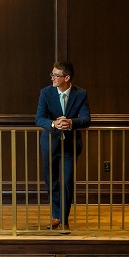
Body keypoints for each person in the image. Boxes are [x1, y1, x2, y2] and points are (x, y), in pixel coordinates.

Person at [36, 61, 91, 230]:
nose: (52, 78)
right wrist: (54, 124)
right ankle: (56, 215)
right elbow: (39, 118)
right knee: (51, 180)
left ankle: (64, 219)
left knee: (67, 181)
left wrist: (70, 122)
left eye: (55, 75)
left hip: (71, 144)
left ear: (67, 78)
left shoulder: (81, 94)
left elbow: (86, 119)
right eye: (52, 74)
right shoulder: (45, 93)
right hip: (49, 143)